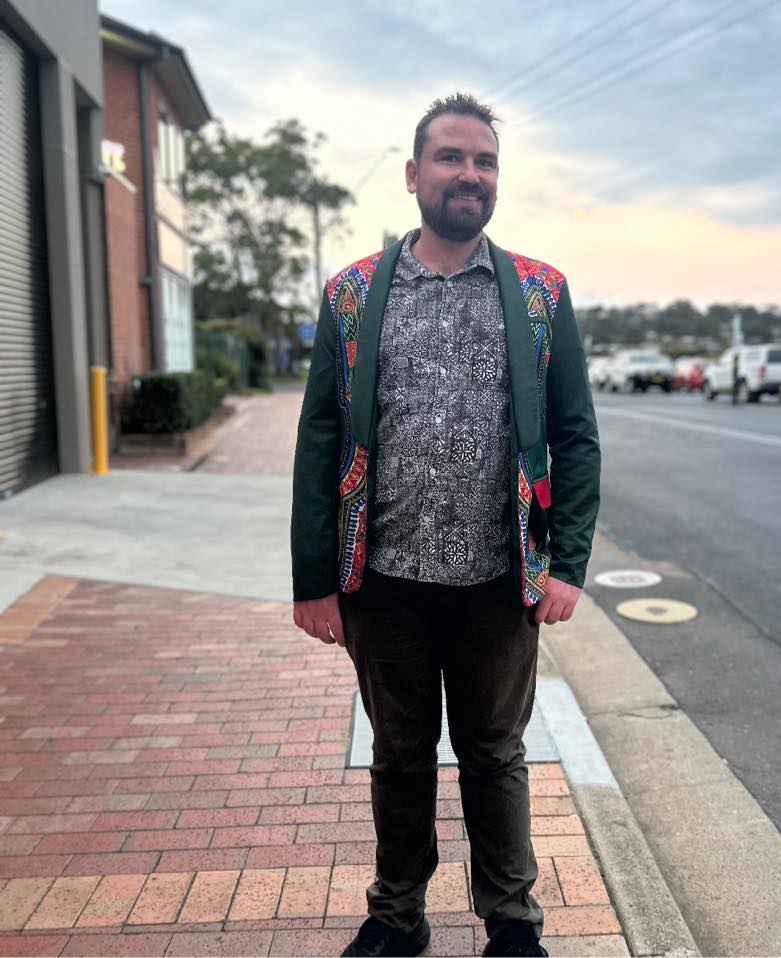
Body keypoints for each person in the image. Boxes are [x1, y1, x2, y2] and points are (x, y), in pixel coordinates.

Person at [291, 92, 600, 958]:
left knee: (496, 754)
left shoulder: (540, 293)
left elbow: (575, 434)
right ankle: (397, 914)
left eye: (486, 161)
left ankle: (512, 922)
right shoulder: (353, 294)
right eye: (452, 158)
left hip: (501, 581)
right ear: (413, 174)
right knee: (399, 755)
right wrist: (314, 577)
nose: (470, 174)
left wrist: (566, 561)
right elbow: (320, 437)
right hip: (383, 579)